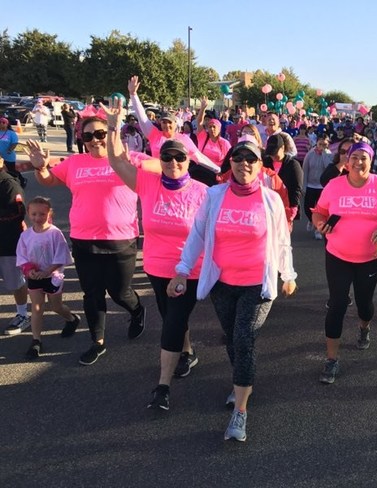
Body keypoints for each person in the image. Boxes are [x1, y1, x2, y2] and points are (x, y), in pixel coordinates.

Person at [167, 140, 297, 442]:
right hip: (222, 284)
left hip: (257, 284)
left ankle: (240, 411)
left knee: (243, 338)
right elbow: (198, 234)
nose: (244, 165)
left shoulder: (270, 200)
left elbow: (281, 241)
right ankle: (242, 381)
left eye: (250, 159)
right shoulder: (214, 196)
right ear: (231, 164)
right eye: (238, 159)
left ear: (259, 165)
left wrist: (287, 274)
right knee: (233, 341)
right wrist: (182, 270)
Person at [104, 100, 208, 409]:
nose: (173, 162)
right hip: (155, 265)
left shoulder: (202, 192)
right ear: (159, 158)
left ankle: (162, 387)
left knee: (173, 321)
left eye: (179, 157)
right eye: (167, 156)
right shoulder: (148, 184)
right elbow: (117, 162)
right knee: (169, 315)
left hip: (189, 269)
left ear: (189, 160)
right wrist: (113, 127)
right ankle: (187, 352)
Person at [26, 115, 153, 366]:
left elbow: (162, 167)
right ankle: (98, 342)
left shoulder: (129, 158)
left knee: (119, 292)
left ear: (110, 135)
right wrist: (41, 168)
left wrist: (135, 160)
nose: (95, 140)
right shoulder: (75, 162)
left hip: (121, 239)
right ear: (82, 139)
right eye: (88, 136)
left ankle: (137, 310)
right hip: (84, 239)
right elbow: (49, 180)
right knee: (92, 293)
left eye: (100, 134)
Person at [311, 141, 377, 384]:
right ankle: (331, 360)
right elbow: (318, 211)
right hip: (338, 255)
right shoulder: (334, 185)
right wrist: (320, 224)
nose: (359, 162)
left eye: (364, 158)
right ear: (347, 160)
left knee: (364, 303)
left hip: (370, 258)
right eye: (355, 157)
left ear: (371, 161)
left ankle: (364, 327)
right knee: (337, 303)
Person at [16, 196, 80, 358]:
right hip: (34, 277)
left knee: (56, 306)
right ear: (28, 214)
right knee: (37, 308)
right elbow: (22, 256)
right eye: (34, 214)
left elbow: (61, 256)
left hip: (52, 276)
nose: (38, 218)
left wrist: (47, 271)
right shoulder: (26, 236)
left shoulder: (55, 233)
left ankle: (72, 318)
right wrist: (29, 271)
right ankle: (36, 341)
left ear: (49, 214)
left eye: (42, 214)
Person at [127, 76, 219, 174]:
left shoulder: (184, 139)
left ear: (176, 124)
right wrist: (133, 94)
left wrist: (218, 170)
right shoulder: (154, 134)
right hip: (157, 177)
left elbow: (199, 157)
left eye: (170, 122)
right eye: (164, 122)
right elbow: (142, 117)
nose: (167, 125)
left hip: (176, 178)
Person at [0, 154, 30, 335]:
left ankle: (23, 314)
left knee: (15, 282)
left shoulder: (8, 184)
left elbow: (18, 213)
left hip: (9, 243)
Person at [264, 134, 303, 231]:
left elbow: (297, 188)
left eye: (275, 152)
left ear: (282, 148)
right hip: (267, 206)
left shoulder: (293, 165)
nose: (272, 156)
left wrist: (293, 208)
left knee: (282, 239)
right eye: (270, 153)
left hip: (285, 206)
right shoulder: (265, 162)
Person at [302, 135, 332, 239]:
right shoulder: (310, 154)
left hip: (321, 186)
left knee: (319, 210)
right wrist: (304, 186)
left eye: (324, 144)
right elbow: (305, 170)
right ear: (316, 143)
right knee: (307, 208)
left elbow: (328, 167)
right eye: (320, 144)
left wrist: (323, 153)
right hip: (310, 185)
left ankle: (317, 228)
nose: (322, 146)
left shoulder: (328, 154)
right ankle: (311, 220)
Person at [195, 97, 231, 172]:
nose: (212, 129)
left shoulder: (225, 143)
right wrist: (203, 108)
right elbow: (199, 122)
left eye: (214, 127)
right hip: (201, 171)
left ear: (219, 129)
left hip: (216, 174)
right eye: (210, 127)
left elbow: (229, 161)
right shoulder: (204, 137)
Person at [0, 117, 25, 188]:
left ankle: (21, 180)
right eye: (0, 122)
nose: (1, 124)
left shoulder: (11, 133)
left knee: (11, 171)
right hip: (0, 156)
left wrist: (10, 150)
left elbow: (14, 143)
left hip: (8, 155)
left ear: (7, 124)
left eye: (3, 122)